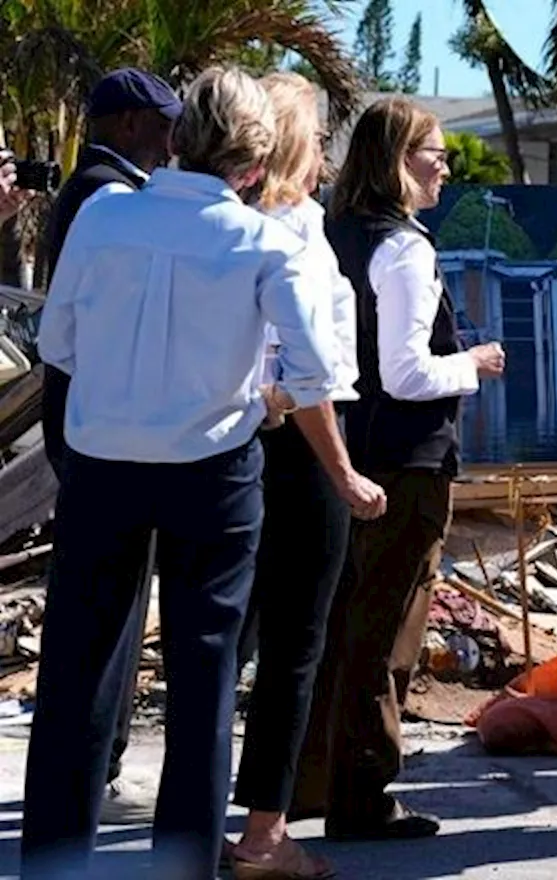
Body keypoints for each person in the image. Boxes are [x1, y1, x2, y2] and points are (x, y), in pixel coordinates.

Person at [23, 66, 341, 879]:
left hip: (103, 460)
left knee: (75, 676)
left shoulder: (100, 215)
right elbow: (313, 372)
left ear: (178, 137)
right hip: (213, 468)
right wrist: (264, 401)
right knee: (205, 683)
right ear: (255, 167)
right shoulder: (267, 240)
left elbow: (57, 343)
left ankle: (53, 867)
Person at [291, 96, 506, 841]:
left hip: (346, 452)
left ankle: (312, 783)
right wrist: (474, 364)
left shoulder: (332, 232)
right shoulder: (403, 245)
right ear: (396, 161)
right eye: (433, 152)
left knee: (340, 624)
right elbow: (408, 373)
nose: (445, 165)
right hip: (405, 464)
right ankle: (363, 794)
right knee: (386, 633)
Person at [225, 71, 385, 880]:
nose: (326, 151)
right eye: (319, 135)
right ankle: (264, 833)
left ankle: (227, 822)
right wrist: (346, 471)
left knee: (233, 642)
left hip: (245, 445)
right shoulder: (292, 234)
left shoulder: (248, 228)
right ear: (295, 141)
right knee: (294, 647)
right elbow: (303, 375)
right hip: (300, 444)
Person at [37, 67, 181, 826]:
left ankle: (92, 769)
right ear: (126, 124)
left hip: (91, 426)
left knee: (105, 609)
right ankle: (99, 769)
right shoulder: (107, 194)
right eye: (163, 122)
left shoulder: (97, 188)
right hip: (106, 431)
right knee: (109, 616)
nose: (173, 137)